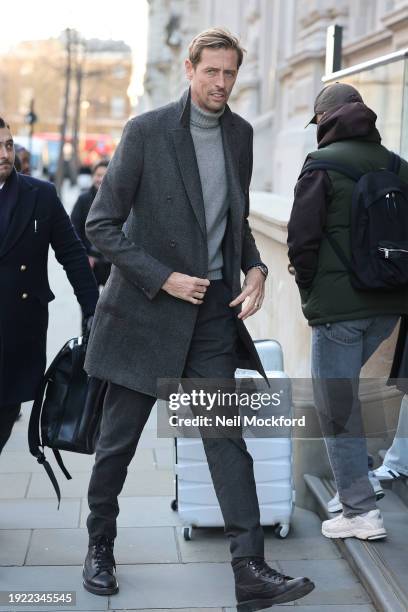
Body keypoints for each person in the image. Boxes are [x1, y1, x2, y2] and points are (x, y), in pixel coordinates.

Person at [82, 27, 314, 610]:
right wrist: (162, 276)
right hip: (145, 311)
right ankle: (100, 545)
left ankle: (250, 569)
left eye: (229, 73)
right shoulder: (146, 131)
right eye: (210, 71)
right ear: (189, 68)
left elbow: (234, 220)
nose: (220, 83)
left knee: (225, 441)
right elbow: (100, 225)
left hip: (212, 314)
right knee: (118, 442)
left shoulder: (240, 133)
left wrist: (256, 267)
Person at [287, 83, 408, 541]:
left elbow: (302, 239)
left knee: (335, 405)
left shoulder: (321, 165)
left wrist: (308, 292)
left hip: (339, 311)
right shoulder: (396, 165)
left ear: (325, 119)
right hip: (390, 306)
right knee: (345, 397)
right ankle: (358, 487)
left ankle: (360, 509)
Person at [0, 117, 99, 455]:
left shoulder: (39, 194)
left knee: (6, 411)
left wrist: (92, 309)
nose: (5, 153)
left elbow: (72, 254)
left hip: (19, 327)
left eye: (9, 145)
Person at [71, 160, 111, 287]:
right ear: (93, 176)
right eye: (98, 175)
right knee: (89, 303)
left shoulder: (119, 201)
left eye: (105, 175)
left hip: (112, 263)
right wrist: (85, 255)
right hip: (89, 260)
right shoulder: (83, 200)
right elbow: (74, 228)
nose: (101, 179)